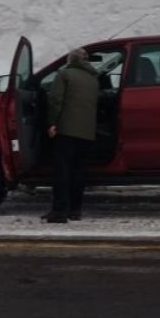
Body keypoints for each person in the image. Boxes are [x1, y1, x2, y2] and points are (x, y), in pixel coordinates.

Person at [43, 48, 99, 223]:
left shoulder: (64, 74)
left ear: (71, 60)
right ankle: (75, 210)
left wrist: (52, 123)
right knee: (78, 172)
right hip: (87, 132)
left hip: (67, 130)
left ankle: (59, 212)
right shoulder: (93, 79)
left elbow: (56, 100)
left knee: (62, 171)